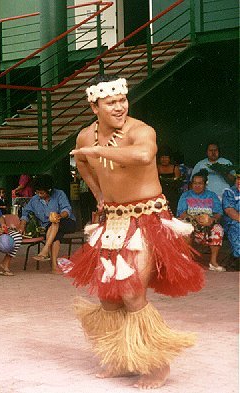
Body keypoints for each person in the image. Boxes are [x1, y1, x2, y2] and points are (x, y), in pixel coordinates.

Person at [68, 75, 204, 389]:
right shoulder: (85, 137)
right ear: (94, 105)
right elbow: (84, 164)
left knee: (131, 292)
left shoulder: (141, 131)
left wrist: (100, 152)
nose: (119, 107)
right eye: (111, 102)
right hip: (113, 221)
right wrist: (99, 194)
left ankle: (157, 365)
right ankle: (121, 358)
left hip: (147, 219)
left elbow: (143, 156)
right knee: (109, 297)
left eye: (122, 100)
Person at [17, 174, 76, 274]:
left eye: (42, 193)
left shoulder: (59, 194)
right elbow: (25, 213)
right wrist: (22, 225)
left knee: (55, 222)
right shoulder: (35, 200)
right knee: (56, 235)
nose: (39, 195)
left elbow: (67, 209)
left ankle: (45, 251)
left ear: (49, 190)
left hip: (67, 222)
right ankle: (54, 267)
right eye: (37, 192)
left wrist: (59, 216)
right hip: (49, 228)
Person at [177, 171, 226, 272]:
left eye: (200, 183)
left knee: (218, 229)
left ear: (205, 184)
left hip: (208, 225)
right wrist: (195, 219)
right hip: (191, 224)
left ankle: (213, 262)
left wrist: (211, 220)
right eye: (195, 183)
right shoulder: (185, 195)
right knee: (185, 230)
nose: (197, 186)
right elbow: (181, 213)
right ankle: (187, 262)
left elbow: (219, 213)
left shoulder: (212, 195)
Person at [157, 147, 182, 214]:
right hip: (160, 193)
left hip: (172, 193)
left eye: (166, 157)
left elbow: (178, 182)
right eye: (162, 157)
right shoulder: (157, 168)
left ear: (170, 158)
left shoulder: (175, 168)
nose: (164, 159)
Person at [222, 174, 240, 266]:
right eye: (238, 178)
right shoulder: (229, 192)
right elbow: (229, 211)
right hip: (234, 222)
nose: (239, 181)